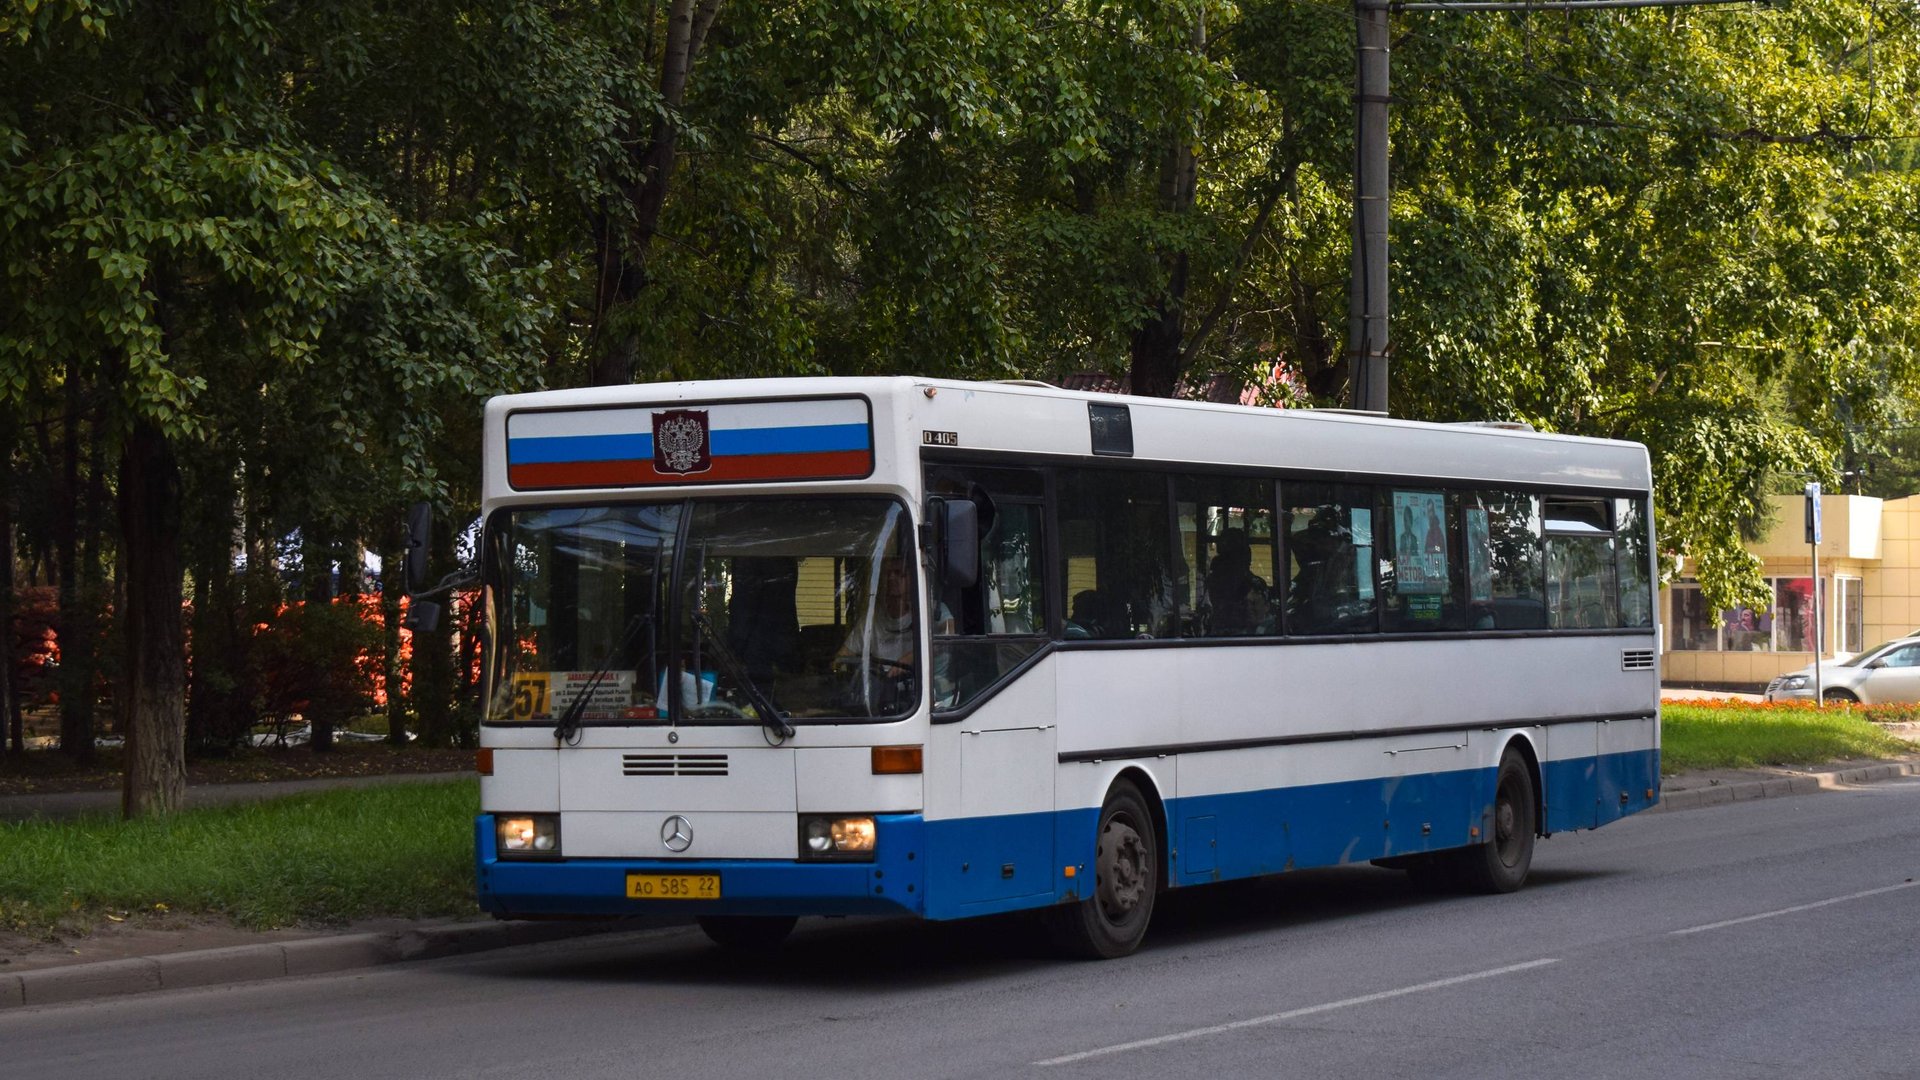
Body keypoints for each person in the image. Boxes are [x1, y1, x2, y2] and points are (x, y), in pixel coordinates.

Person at [1205, 528, 1268, 635]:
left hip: (1248, 636)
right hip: (1220, 633)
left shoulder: (1254, 584)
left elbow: (1259, 617)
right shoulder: (1214, 580)